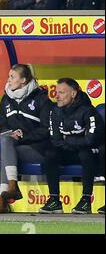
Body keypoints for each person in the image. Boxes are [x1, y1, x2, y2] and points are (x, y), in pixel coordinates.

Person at [0, 64, 53, 213]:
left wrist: (23, 136)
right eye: (9, 76)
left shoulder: (41, 98)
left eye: (12, 77)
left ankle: (4, 195)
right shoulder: (6, 99)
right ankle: (10, 187)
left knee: (6, 152)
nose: (8, 80)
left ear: (23, 80)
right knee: (6, 139)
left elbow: (46, 129)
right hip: (13, 146)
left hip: (38, 148)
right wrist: (12, 133)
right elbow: (2, 125)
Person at [40, 78, 105, 214]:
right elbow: (56, 140)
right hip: (69, 151)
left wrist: (68, 140)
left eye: (61, 93)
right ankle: (54, 200)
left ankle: (86, 200)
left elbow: (91, 140)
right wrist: (75, 141)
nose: (56, 96)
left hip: (90, 152)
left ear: (73, 94)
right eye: (56, 92)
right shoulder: (54, 111)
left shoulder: (88, 111)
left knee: (85, 153)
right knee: (51, 154)